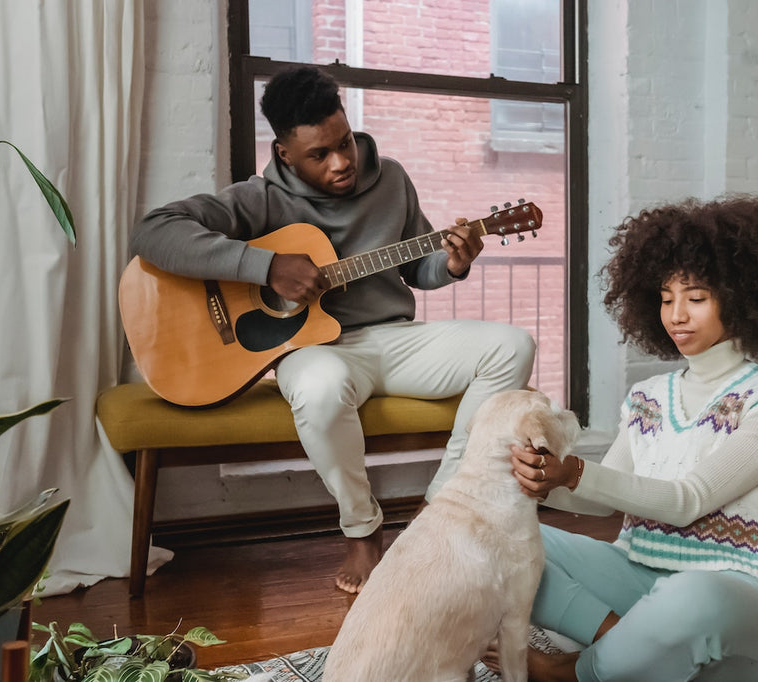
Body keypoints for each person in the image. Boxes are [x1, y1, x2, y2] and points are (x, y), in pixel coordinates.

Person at [130, 66, 536, 594]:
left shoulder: (390, 179)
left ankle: (440, 507)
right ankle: (362, 530)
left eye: (344, 142)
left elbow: (419, 270)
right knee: (320, 388)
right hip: (314, 350)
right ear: (285, 154)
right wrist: (265, 268)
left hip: (392, 340)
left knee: (513, 346)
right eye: (320, 155)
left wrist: (453, 263)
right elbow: (153, 232)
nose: (342, 162)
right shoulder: (261, 199)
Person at [502, 195, 758, 681]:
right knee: (504, 538)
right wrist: (542, 480)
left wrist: (572, 472)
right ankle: (620, 641)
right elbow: (600, 499)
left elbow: (687, 501)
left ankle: (575, 672)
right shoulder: (649, 396)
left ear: (741, 299)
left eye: (695, 298)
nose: (676, 314)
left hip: (742, 596)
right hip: (638, 575)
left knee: (692, 595)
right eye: (665, 297)